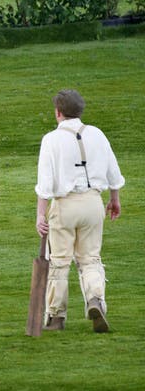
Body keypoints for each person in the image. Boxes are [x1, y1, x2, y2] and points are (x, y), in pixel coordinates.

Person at [35, 89, 124, 333]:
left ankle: (55, 317)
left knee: (60, 262)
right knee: (90, 258)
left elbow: (45, 183)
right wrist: (114, 199)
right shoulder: (97, 134)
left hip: (65, 205)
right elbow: (113, 173)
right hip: (93, 204)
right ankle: (95, 300)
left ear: (58, 112)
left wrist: (40, 215)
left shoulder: (51, 139)